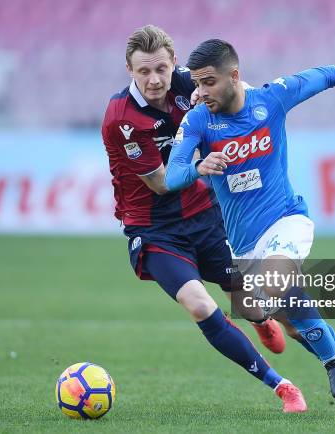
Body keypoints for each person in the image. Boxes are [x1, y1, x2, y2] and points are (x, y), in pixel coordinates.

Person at [165, 38, 335, 412]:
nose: (201, 91)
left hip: (287, 220)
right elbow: (173, 174)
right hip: (244, 245)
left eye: (209, 82)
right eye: (197, 83)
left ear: (234, 76)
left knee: (278, 281)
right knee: (291, 324)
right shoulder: (198, 120)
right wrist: (199, 166)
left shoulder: (270, 99)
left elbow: (328, 74)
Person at [101, 26, 307, 413]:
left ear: (174, 62)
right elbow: (162, 184)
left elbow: (234, 89)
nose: (154, 80)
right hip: (154, 229)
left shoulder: (190, 84)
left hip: (205, 216)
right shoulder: (122, 119)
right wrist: (200, 166)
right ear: (129, 69)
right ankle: (283, 387)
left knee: (254, 305)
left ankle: (263, 320)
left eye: (161, 69)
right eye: (143, 72)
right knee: (198, 304)